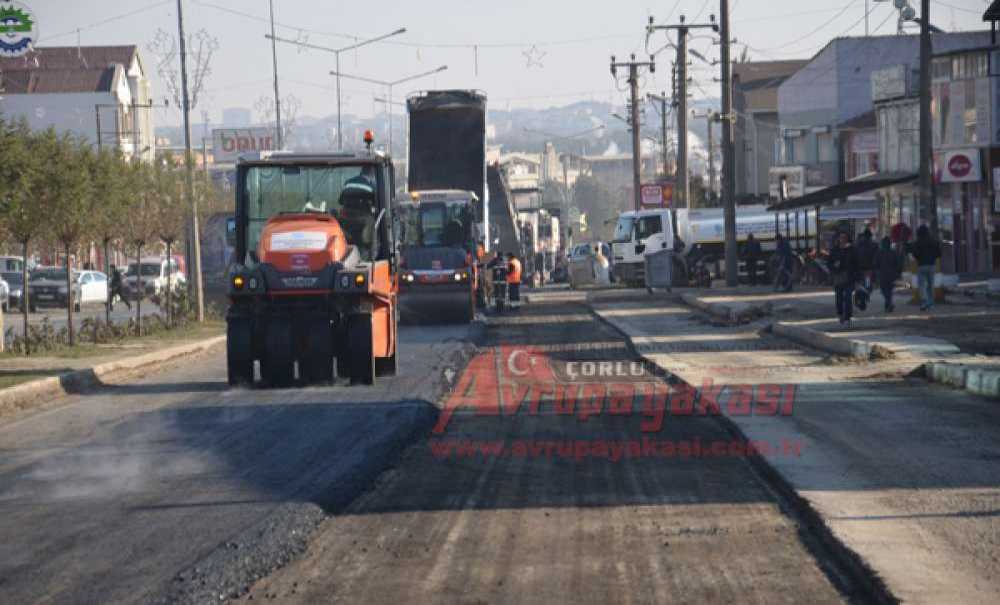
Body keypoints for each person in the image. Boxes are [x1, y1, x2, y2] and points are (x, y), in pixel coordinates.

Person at [828, 231, 860, 324]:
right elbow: (829, 263)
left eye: (844, 237)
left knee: (848, 297)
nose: (842, 239)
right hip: (838, 277)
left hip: (849, 277)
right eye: (841, 237)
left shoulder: (852, 250)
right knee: (839, 298)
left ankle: (847, 316)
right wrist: (834, 266)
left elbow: (856, 264)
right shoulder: (835, 250)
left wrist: (857, 277)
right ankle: (840, 314)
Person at [909, 224, 942, 311]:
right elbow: (939, 253)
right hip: (932, 265)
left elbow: (915, 254)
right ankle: (930, 303)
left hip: (921, 266)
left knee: (921, 285)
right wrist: (933, 257)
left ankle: (924, 302)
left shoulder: (917, 242)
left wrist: (919, 258)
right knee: (930, 285)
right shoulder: (934, 241)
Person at [873, 236, 902, 313]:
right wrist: (898, 273)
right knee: (889, 290)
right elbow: (898, 264)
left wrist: (876, 273)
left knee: (884, 290)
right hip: (892, 275)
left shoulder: (879, 253)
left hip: (882, 275)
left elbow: (875, 264)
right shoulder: (893, 252)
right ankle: (888, 304)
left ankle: (888, 303)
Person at [856, 228, 877, 294]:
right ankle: (866, 292)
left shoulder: (858, 244)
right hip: (868, 268)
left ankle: (862, 292)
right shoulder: (873, 245)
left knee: (861, 281)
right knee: (867, 282)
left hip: (861, 267)